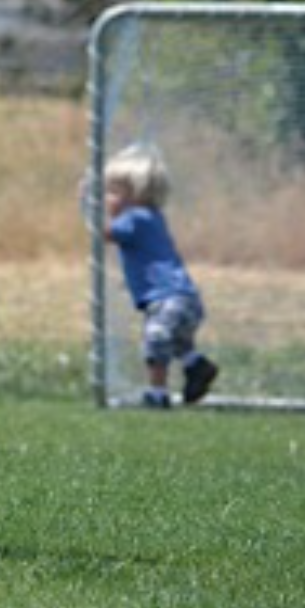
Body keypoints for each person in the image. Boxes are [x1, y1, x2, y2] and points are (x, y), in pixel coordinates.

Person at [102, 143, 220, 409]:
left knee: (156, 338)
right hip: (185, 297)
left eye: (112, 192)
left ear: (134, 195)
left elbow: (106, 234)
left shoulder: (134, 217)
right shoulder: (151, 216)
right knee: (178, 343)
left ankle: (157, 394)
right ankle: (196, 366)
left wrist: (86, 208)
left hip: (167, 299)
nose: (106, 199)